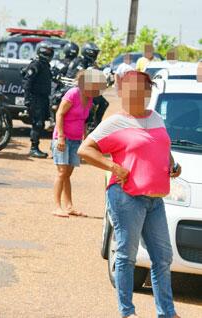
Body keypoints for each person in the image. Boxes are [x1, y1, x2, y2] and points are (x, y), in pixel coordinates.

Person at [78, 71, 181, 318]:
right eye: (131, 90)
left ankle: (167, 313)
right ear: (123, 93)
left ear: (148, 92)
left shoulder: (156, 117)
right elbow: (85, 149)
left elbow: (162, 146)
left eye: (143, 90)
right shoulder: (116, 122)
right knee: (127, 255)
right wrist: (112, 166)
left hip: (155, 199)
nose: (138, 95)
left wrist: (172, 165)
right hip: (126, 198)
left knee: (163, 257)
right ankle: (127, 312)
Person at [52, 69, 105, 217]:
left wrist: (85, 139)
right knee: (61, 172)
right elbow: (60, 114)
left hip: (76, 140)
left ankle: (69, 206)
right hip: (62, 138)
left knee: (68, 174)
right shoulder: (73, 93)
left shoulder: (89, 99)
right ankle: (57, 206)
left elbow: (83, 121)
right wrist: (61, 137)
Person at [22, 40, 54, 158]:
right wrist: (27, 99)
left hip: (43, 98)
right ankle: (33, 148)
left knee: (43, 122)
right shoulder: (36, 64)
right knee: (37, 123)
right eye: (47, 51)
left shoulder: (45, 65)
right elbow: (27, 82)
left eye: (51, 51)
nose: (49, 53)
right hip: (35, 98)